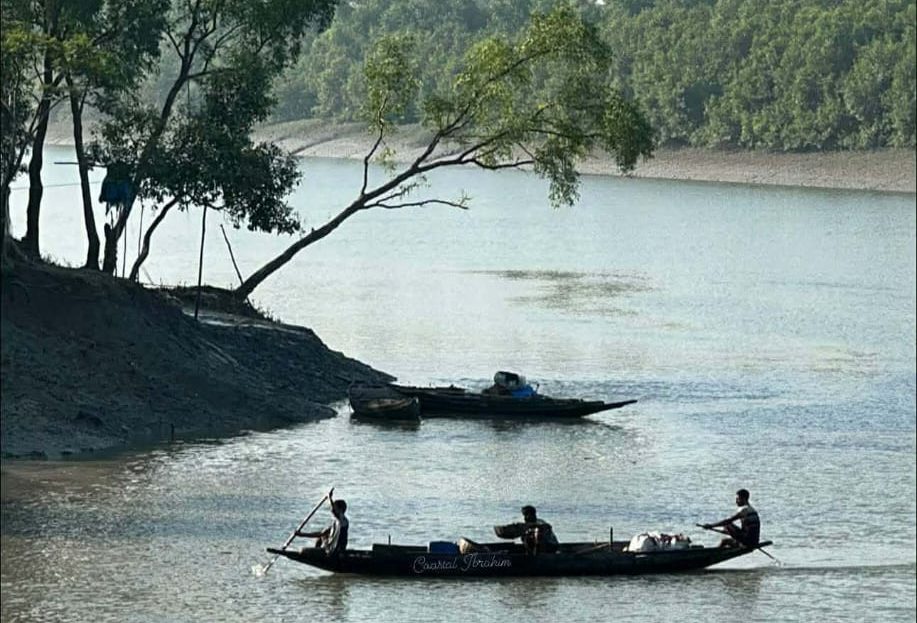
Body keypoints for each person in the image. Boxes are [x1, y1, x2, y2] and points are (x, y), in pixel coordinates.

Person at [297, 490, 349, 556]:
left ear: (341, 510)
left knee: (303, 551)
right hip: (330, 550)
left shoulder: (343, 521)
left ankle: (321, 554)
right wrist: (301, 534)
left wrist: (330, 498)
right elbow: (320, 534)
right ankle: (318, 552)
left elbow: (335, 511)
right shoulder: (335, 524)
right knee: (323, 535)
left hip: (337, 551)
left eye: (335, 508)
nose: (332, 511)